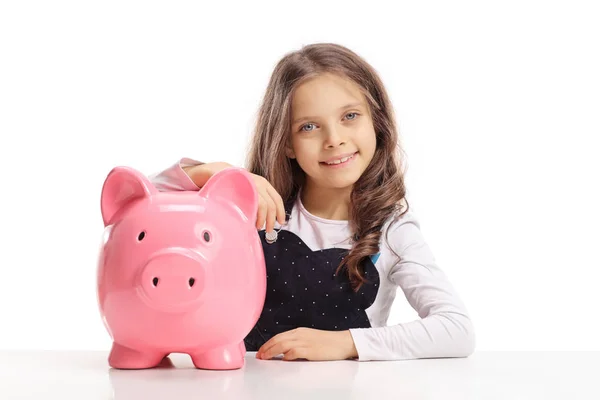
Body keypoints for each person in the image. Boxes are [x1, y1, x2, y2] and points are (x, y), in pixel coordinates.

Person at [148, 42, 476, 362]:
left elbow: (456, 328)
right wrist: (212, 172)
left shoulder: (392, 227)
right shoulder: (256, 206)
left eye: (350, 116)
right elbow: (142, 203)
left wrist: (345, 343)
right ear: (287, 143)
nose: (334, 140)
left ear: (375, 121)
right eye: (309, 127)